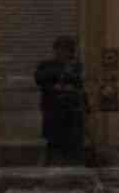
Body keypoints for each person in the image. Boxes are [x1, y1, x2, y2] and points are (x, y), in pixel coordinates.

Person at [34, 36, 88, 165]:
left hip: (72, 115)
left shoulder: (76, 66)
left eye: (67, 50)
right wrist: (60, 78)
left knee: (73, 151)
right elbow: (40, 78)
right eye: (60, 50)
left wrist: (60, 83)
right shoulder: (46, 65)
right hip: (53, 114)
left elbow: (77, 82)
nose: (63, 53)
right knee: (54, 148)